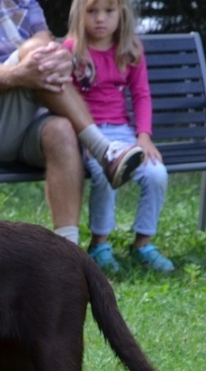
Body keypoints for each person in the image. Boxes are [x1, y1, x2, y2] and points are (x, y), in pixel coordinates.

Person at [0, 0, 148, 246]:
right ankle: (104, 150)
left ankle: (66, 253)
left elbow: (54, 54)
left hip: (29, 118)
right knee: (34, 52)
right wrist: (20, 74)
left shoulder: (23, 4)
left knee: (62, 130)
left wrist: (62, 61)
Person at [65, 0, 174, 273]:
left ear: (121, 13)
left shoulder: (130, 49)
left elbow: (141, 95)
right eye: (92, 11)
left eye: (108, 11)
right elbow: (63, 99)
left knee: (156, 174)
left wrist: (144, 136)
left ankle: (143, 244)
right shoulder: (71, 51)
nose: (100, 19)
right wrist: (84, 139)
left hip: (123, 133)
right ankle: (100, 244)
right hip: (86, 131)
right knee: (104, 174)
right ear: (80, 14)